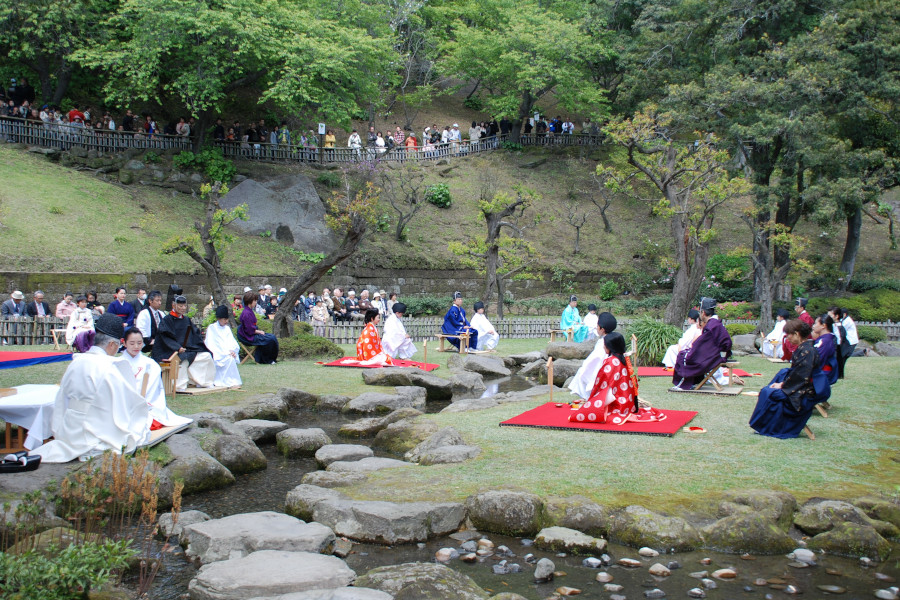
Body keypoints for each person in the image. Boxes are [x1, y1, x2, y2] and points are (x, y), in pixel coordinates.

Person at [31, 314, 151, 462]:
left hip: (70, 430)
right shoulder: (110, 368)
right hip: (97, 432)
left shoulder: (76, 362)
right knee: (138, 425)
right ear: (112, 345)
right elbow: (125, 406)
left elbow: (62, 399)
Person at [569, 332, 667, 425]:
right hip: (627, 401)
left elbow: (601, 382)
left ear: (610, 347)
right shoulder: (623, 358)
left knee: (586, 414)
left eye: (605, 345)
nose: (604, 347)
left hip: (616, 402)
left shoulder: (611, 361)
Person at [749, 319, 820, 439]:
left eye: (789, 335)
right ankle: (765, 426)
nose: (788, 338)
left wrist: (782, 385)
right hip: (798, 386)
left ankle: (767, 427)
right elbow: (798, 374)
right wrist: (783, 383)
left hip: (803, 391)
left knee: (769, 392)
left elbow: (802, 377)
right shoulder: (804, 349)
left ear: (797, 334)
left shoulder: (807, 351)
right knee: (769, 389)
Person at [121, 328, 193, 427]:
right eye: (132, 343)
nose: (136, 346)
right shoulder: (118, 363)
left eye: (139, 343)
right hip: (123, 405)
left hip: (146, 404)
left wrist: (141, 403)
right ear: (124, 343)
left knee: (146, 422)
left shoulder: (150, 364)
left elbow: (153, 390)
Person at [151, 295, 216, 391]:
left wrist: (195, 346)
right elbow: (165, 337)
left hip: (188, 349)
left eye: (184, 306)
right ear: (174, 305)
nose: (183, 308)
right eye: (180, 306)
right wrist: (177, 347)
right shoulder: (167, 320)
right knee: (183, 360)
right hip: (170, 350)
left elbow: (195, 334)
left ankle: (202, 382)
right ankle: (179, 385)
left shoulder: (186, 320)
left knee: (206, 356)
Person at [671, 297, 733, 390]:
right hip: (718, 355)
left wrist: (692, 351)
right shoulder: (716, 323)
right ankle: (694, 381)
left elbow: (701, 345)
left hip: (713, 357)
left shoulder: (712, 325)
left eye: (700, 312)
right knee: (687, 354)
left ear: (703, 313)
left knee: (684, 356)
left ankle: (684, 385)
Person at [568, 312, 618, 399]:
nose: (596, 327)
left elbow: (594, 360)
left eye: (597, 325)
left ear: (602, 329)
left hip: (603, 374)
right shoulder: (614, 339)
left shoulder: (603, 343)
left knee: (583, 373)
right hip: (612, 374)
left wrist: (584, 370)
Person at [204, 305, 243, 387]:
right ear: (219, 318)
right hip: (218, 353)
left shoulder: (227, 328)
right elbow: (212, 344)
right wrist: (225, 352)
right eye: (224, 319)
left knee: (230, 359)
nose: (226, 321)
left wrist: (232, 350)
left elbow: (232, 342)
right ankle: (220, 381)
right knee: (227, 358)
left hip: (228, 352)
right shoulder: (212, 328)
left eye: (227, 319)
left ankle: (232, 381)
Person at [237, 291, 280, 364]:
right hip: (247, 336)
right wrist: (259, 332)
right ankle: (265, 360)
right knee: (270, 339)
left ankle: (270, 358)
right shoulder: (246, 313)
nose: (255, 302)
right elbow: (249, 330)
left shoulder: (249, 311)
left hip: (251, 334)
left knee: (272, 337)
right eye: (254, 301)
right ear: (250, 301)